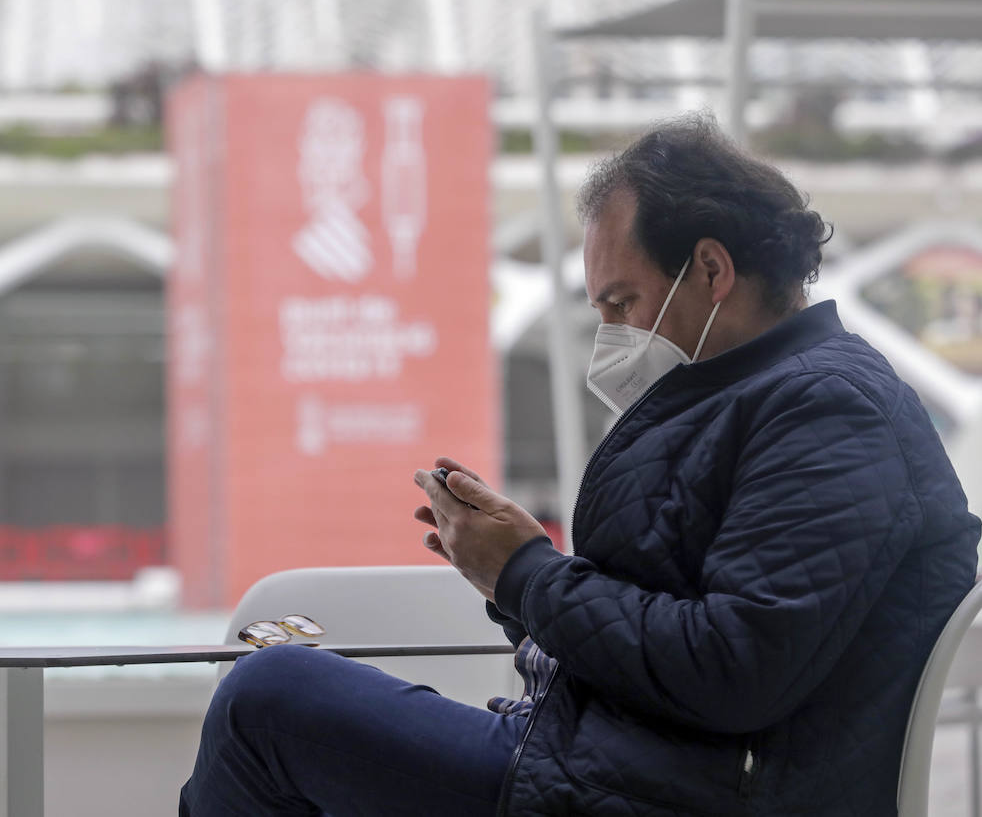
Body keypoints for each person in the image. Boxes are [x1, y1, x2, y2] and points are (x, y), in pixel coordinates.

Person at [179, 114, 980, 816]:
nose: (610, 334)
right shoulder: (757, 400)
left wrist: (527, 573)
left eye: (622, 303)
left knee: (269, 701)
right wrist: (509, 578)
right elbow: (670, 631)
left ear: (710, 270)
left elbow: (732, 667)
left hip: (679, 793)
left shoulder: (830, 413)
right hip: (624, 768)